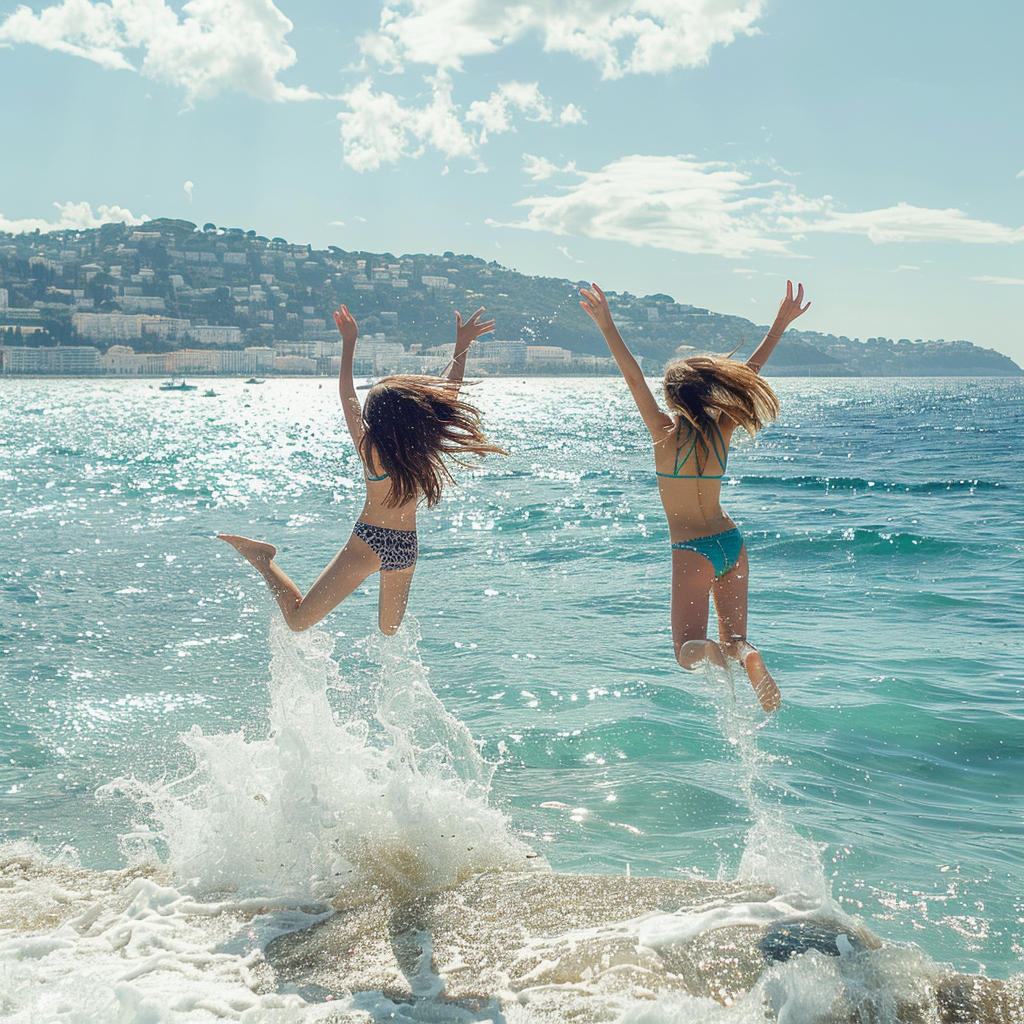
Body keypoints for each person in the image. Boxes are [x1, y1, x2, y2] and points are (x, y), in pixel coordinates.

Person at [579, 281, 810, 712]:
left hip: (692, 550)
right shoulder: (722, 430)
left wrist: (607, 325)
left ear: (672, 399)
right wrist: (778, 325)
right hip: (731, 543)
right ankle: (748, 656)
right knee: (736, 639)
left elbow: (631, 377)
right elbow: (749, 376)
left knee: (687, 648)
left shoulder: (664, 436)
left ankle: (709, 653)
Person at [218, 304, 503, 634]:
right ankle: (263, 558)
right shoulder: (408, 448)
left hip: (386, 544)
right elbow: (446, 392)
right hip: (386, 545)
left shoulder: (375, 449)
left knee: (388, 629)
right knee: (300, 621)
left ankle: (265, 561)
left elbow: (347, 395)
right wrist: (461, 347)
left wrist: (350, 343)